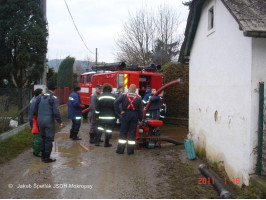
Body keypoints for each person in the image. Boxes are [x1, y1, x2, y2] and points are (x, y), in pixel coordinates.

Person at [34, 83, 63, 163]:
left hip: (40, 121)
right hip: (49, 121)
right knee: (48, 139)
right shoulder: (54, 98)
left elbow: (35, 110)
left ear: (47, 88)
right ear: (55, 90)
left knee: (42, 137)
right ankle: (47, 157)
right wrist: (60, 121)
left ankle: (43, 156)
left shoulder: (40, 97)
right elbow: (56, 111)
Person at [114, 84, 143, 155]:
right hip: (134, 115)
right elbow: (140, 110)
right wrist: (140, 119)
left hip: (125, 114)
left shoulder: (124, 95)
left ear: (129, 89)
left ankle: (120, 150)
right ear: (135, 89)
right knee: (132, 133)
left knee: (123, 132)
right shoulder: (139, 97)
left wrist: (120, 112)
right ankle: (130, 151)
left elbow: (115, 102)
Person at [29, 88, 43, 157]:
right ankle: (37, 152)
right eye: (42, 93)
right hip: (35, 120)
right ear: (39, 94)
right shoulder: (36, 101)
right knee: (37, 137)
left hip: (32, 120)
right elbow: (35, 112)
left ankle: (35, 150)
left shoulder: (32, 100)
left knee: (35, 137)